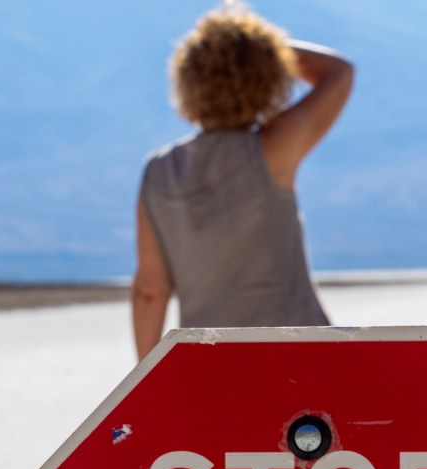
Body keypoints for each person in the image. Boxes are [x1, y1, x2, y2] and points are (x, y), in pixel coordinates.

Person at [131, 4, 354, 360]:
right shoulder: (274, 148)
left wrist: (148, 381)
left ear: (186, 80)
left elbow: (150, 289)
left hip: (211, 362)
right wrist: (260, 51)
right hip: (299, 354)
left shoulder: (160, 171)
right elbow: (339, 72)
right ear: (269, 79)